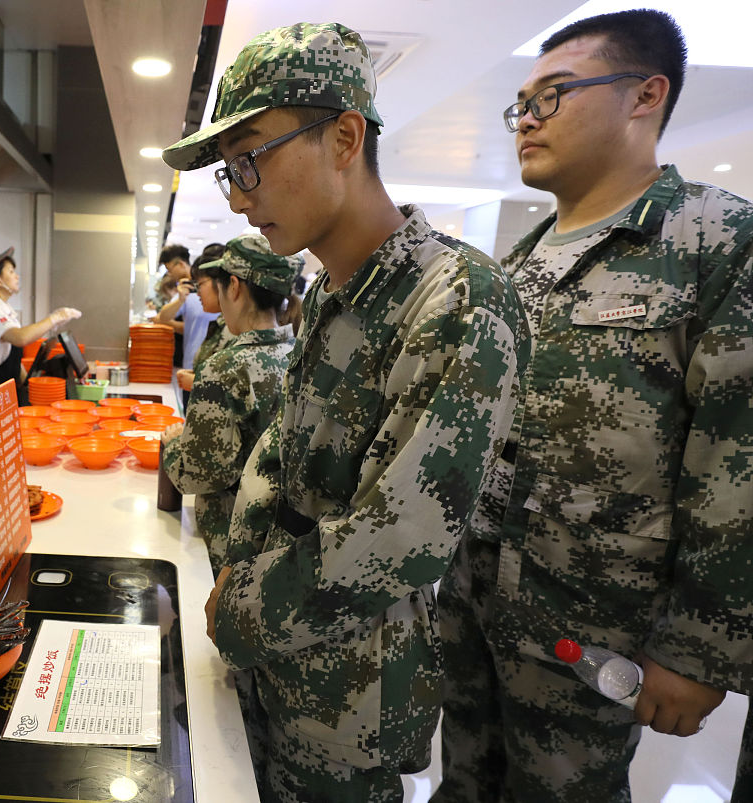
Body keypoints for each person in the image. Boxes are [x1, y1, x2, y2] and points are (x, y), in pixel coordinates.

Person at [162, 22, 528, 802]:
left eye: (251, 159)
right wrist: (237, 572)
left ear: (345, 137)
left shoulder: (455, 295)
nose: (240, 194)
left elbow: (405, 533)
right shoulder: (334, 290)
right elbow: (282, 448)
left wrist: (244, 602)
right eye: (228, 173)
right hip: (278, 655)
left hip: (348, 695)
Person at [434, 10, 753, 803]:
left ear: (646, 95)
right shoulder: (517, 262)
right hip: (475, 601)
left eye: (554, 95)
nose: (527, 121)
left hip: (593, 620)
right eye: (522, 104)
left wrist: (699, 648)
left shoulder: (714, 239)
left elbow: (738, 456)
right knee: (466, 783)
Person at [161, 233, 300, 575]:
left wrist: (172, 445)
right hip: (282, 542)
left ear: (234, 287)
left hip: (232, 542)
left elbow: (199, 475)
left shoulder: (225, 369)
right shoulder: (299, 355)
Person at [0, 247, 80, 410]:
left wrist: (29, 386)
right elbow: (21, 338)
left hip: (3, 390)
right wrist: (55, 318)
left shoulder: (5, 309)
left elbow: (12, 357)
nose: (17, 277)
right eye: (11, 272)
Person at [165, 242, 225, 401]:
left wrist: (197, 382)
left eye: (201, 284)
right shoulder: (221, 323)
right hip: (192, 371)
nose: (198, 293)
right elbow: (162, 317)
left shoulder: (235, 328)